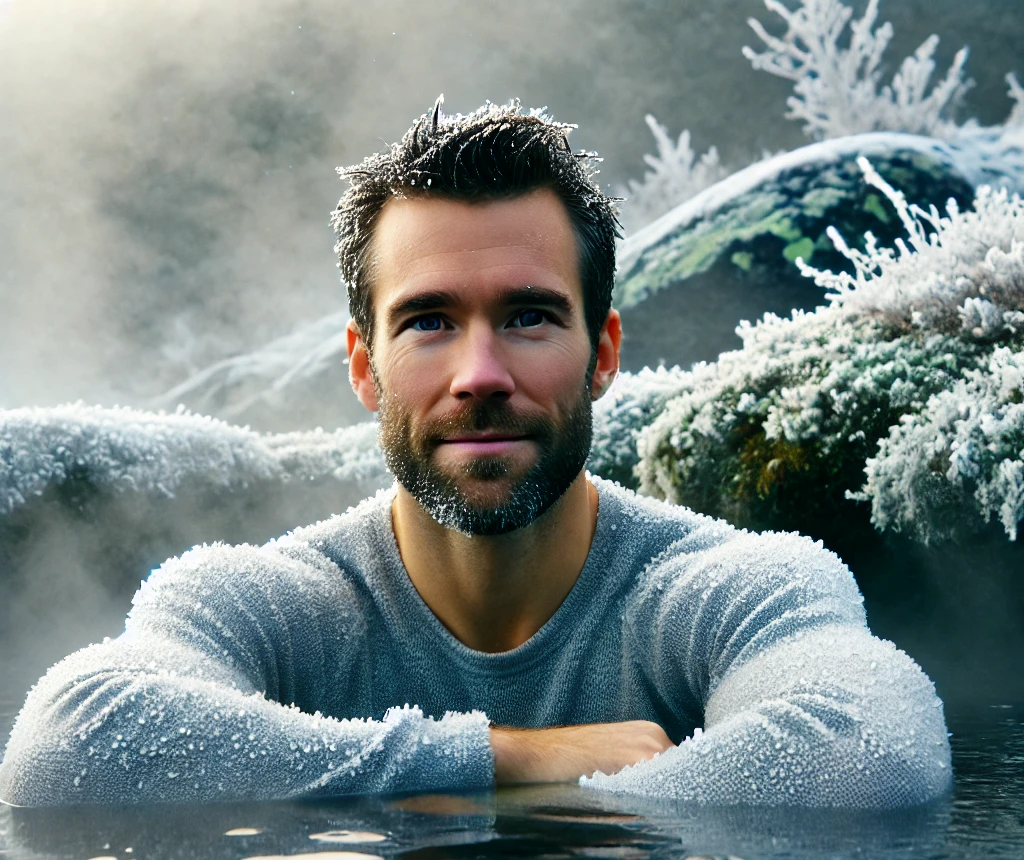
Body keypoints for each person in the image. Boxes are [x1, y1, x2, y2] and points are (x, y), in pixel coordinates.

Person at [0, 99, 951, 808]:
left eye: (530, 316)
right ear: (365, 369)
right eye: (429, 322)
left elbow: (870, 751)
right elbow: (66, 746)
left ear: (605, 353)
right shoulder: (273, 603)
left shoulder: (725, 585)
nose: (481, 373)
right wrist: (516, 756)